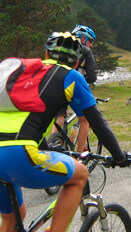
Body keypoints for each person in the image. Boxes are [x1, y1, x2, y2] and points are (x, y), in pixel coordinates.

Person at [0, 31, 131, 232]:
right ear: (78, 62)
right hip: (17, 154)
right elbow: (97, 122)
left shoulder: (26, 75)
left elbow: (28, 124)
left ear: (45, 54)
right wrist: (119, 156)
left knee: (12, 221)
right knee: (79, 175)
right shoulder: (72, 77)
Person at [54, 24, 98, 152]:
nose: (91, 44)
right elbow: (92, 76)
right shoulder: (86, 51)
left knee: (61, 116)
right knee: (84, 120)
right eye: (90, 41)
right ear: (83, 39)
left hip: (57, 85)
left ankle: (53, 142)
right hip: (74, 89)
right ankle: (79, 154)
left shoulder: (62, 49)